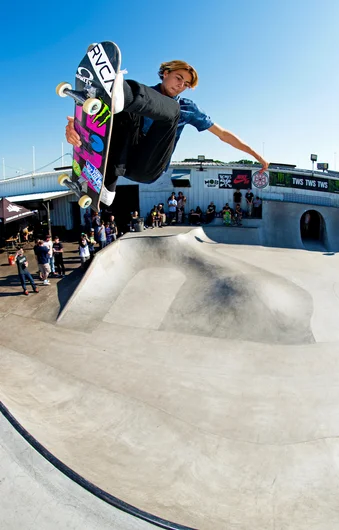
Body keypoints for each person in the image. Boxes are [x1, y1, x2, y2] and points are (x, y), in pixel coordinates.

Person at [65, 59, 269, 207]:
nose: (181, 86)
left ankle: (120, 96)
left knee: (172, 110)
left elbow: (222, 134)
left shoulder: (187, 107)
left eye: (186, 84)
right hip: (124, 159)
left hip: (149, 168)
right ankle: (107, 184)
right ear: (165, 73)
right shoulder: (136, 94)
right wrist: (76, 127)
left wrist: (255, 155)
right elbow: (102, 124)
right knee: (123, 108)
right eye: (178, 78)